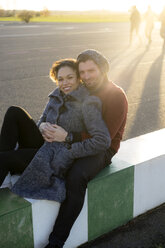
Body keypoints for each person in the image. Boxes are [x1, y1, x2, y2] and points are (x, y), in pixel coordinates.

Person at [43, 49, 128, 248]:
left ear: (103, 69)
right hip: (76, 140)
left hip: (103, 149)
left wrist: (68, 136)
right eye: (83, 72)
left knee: (76, 177)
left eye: (92, 71)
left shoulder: (115, 95)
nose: (87, 76)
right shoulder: (86, 89)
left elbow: (103, 139)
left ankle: (56, 241)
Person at [0, 58, 110, 203]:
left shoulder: (89, 103)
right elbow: (42, 119)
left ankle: (4, 165)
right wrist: (41, 126)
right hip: (44, 145)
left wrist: (67, 138)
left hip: (55, 158)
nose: (65, 83)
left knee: (4, 159)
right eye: (61, 79)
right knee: (14, 111)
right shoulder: (56, 96)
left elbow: (102, 141)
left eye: (70, 78)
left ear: (78, 78)